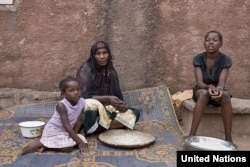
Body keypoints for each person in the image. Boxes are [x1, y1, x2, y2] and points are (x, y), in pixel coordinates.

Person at [76, 40, 140, 134]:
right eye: (98, 54)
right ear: (93, 56)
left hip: (107, 110)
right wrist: (108, 98)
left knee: (135, 114)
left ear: (109, 54)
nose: (102, 57)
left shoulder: (111, 72)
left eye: (105, 53)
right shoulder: (86, 70)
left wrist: (121, 105)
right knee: (90, 104)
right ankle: (93, 125)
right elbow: (83, 97)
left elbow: (117, 97)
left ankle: (96, 129)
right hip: (90, 111)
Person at [21, 76, 89, 155]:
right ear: (63, 94)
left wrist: (75, 138)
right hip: (54, 130)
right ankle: (39, 143)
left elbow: (78, 121)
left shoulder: (82, 102)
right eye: (71, 90)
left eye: (78, 89)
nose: (76, 92)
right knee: (68, 148)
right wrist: (79, 142)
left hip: (67, 131)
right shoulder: (62, 105)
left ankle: (49, 145)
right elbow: (66, 125)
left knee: (82, 141)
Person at [189, 30, 233, 142]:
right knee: (203, 94)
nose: (211, 43)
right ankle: (191, 136)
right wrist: (208, 88)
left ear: (221, 44)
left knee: (226, 96)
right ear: (204, 44)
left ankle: (228, 139)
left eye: (215, 40)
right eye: (208, 40)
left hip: (217, 91)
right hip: (201, 90)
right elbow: (199, 82)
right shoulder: (198, 59)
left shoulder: (225, 60)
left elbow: (222, 83)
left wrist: (218, 89)